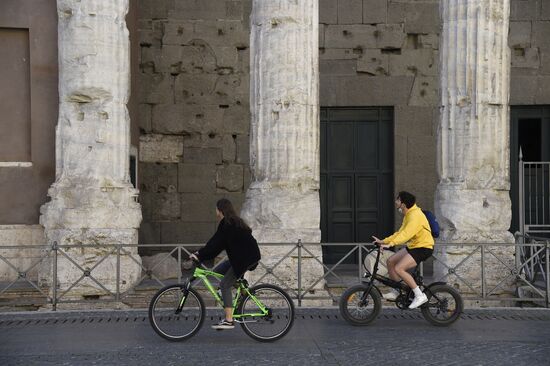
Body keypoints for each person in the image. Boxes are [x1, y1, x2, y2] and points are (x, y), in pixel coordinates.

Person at [189, 198, 261, 330]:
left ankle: (229, 320)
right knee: (218, 270)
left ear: (220, 210)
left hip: (244, 259)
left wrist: (199, 255)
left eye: (216, 209)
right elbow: (214, 243)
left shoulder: (228, 225)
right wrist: (200, 253)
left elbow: (215, 246)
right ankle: (242, 291)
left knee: (224, 284)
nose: (215, 212)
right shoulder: (231, 222)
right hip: (243, 257)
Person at [372, 191, 434, 309]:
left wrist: (390, 245)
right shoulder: (409, 214)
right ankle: (397, 290)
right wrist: (383, 241)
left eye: (398, 200)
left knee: (399, 268)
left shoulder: (415, 216)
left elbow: (406, 235)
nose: (396, 202)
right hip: (414, 246)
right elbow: (399, 233)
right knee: (390, 261)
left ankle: (419, 295)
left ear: (403, 204)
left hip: (423, 248)